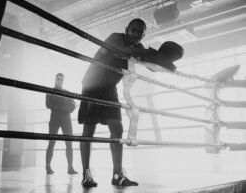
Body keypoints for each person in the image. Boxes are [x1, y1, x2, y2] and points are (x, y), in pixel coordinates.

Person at [78, 18, 183, 188]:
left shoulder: (139, 48)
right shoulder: (114, 38)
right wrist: (147, 54)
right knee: (89, 129)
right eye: (134, 30)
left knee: (117, 128)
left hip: (110, 87)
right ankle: (86, 173)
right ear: (127, 29)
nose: (136, 34)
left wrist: (164, 59)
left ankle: (117, 174)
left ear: (143, 35)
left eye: (140, 32)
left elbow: (152, 65)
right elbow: (121, 51)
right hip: (92, 84)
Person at [45, 73, 77, 175]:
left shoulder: (67, 92)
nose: (59, 81)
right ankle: (48, 167)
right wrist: (63, 107)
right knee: (51, 143)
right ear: (55, 79)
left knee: (69, 143)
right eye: (58, 79)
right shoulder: (50, 92)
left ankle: (70, 167)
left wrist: (64, 108)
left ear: (63, 81)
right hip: (55, 118)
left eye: (61, 80)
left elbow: (73, 104)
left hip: (66, 119)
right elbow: (48, 104)